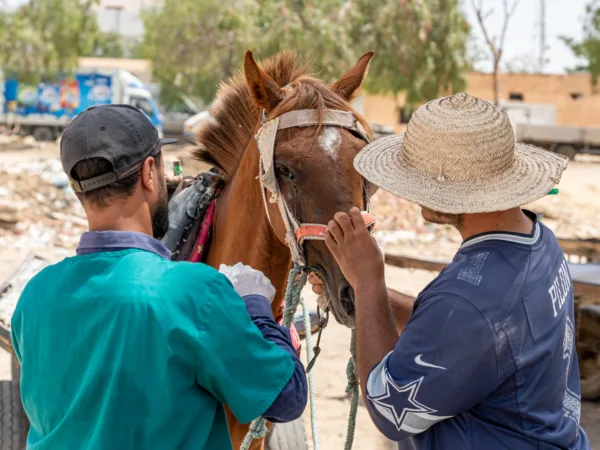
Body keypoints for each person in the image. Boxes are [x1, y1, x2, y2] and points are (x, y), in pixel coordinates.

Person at [10, 105, 307, 450]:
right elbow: (287, 398)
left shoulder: (34, 295)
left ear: (78, 190)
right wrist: (256, 309)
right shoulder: (194, 291)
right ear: (150, 173)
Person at [310, 93, 589, 449]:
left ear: (449, 192)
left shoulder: (467, 300)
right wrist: (362, 292)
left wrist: (368, 281)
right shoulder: (539, 243)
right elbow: (451, 331)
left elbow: (388, 408)